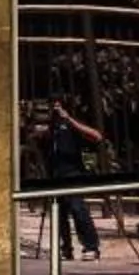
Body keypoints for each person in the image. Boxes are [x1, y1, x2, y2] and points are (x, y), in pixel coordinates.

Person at [42, 99, 106, 262]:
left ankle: (91, 247)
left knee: (78, 209)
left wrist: (68, 119)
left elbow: (97, 136)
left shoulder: (72, 124)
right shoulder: (51, 129)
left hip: (73, 174)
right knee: (59, 214)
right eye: (53, 107)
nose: (55, 110)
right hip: (55, 175)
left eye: (58, 107)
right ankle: (66, 249)